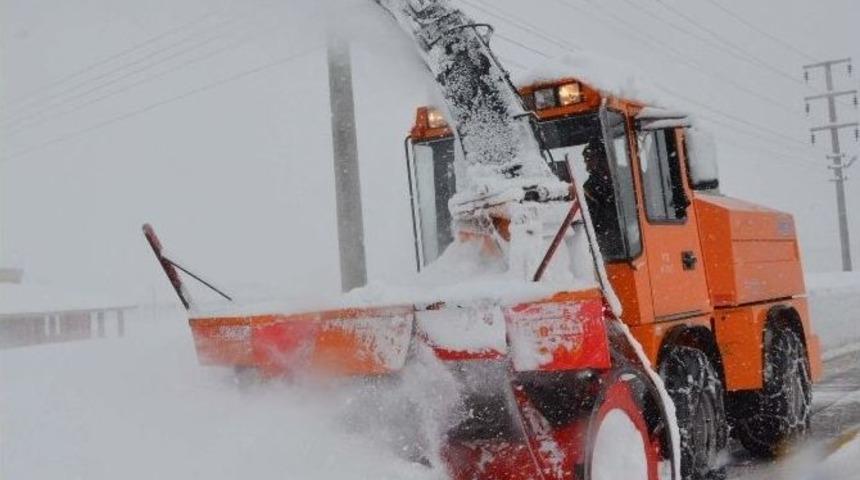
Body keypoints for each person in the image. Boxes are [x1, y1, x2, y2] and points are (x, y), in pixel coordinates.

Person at [582, 138, 620, 254]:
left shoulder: (626, 177)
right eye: (586, 161)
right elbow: (593, 221)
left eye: (590, 159)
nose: (587, 166)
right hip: (608, 244)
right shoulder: (589, 188)